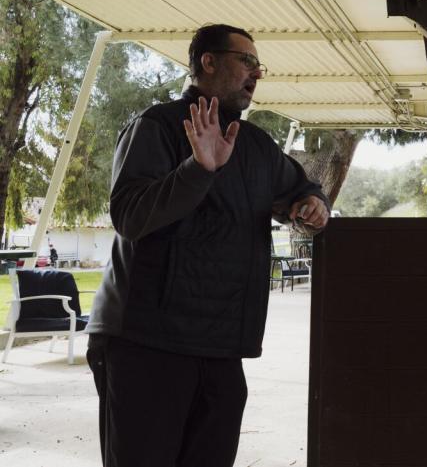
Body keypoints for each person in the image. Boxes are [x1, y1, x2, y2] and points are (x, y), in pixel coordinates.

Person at [86, 24, 331, 467]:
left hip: (220, 348)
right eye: (247, 62)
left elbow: (302, 187)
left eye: (259, 66)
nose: (256, 73)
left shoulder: (255, 145)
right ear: (208, 62)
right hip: (146, 343)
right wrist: (198, 169)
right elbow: (130, 217)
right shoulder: (156, 126)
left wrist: (312, 202)